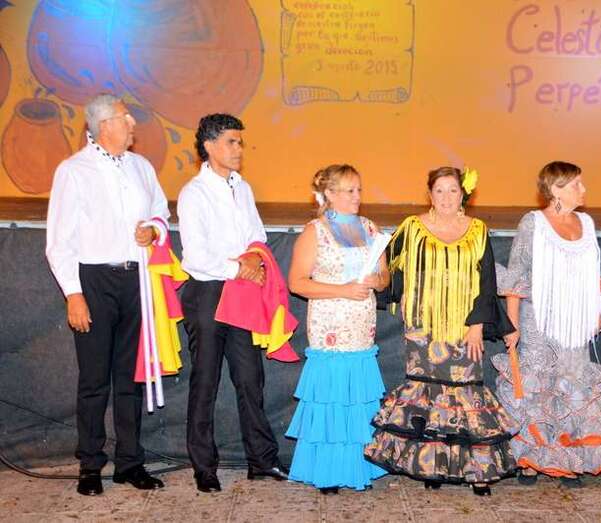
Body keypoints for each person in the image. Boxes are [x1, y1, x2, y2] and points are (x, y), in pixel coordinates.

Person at [364, 167, 518, 496]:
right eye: (439, 190)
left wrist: (477, 325)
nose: (446, 197)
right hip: (424, 328)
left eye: (452, 190)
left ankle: (478, 471)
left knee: (467, 395)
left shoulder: (478, 230)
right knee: (428, 396)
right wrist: (390, 282)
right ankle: (431, 465)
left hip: (464, 329)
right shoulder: (412, 227)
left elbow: (487, 282)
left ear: (463, 194)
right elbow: (388, 261)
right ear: (430, 194)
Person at [46, 93, 167, 496]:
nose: (132, 123)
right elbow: (59, 241)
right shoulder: (73, 171)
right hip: (94, 280)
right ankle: (90, 465)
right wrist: (74, 294)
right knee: (94, 378)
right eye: (124, 117)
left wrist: (153, 230)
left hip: (136, 279)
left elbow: (161, 211)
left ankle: (130, 463)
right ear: (103, 126)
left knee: (131, 376)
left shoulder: (141, 166)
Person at [177, 114, 288, 493]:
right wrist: (239, 267)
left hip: (241, 292)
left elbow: (257, 233)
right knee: (205, 381)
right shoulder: (194, 193)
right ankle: (204, 467)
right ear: (209, 146)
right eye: (231, 142)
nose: (239, 149)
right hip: (208, 293)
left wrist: (254, 257)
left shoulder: (243, 187)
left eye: (240, 142)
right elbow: (195, 257)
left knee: (250, 378)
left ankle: (262, 460)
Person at [492, 161, 601, 489]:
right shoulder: (533, 223)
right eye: (576, 184)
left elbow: (591, 274)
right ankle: (531, 461)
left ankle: (567, 460)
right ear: (556, 189)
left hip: (574, 323)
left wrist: (596, 311)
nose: (583, 190)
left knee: (570, 387)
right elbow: (516, 275)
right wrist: (512, 324)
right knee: (537, 389)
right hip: (538, 321)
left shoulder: (586, 223)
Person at [286, 164, 389, 494]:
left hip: (361, 324)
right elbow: (297, 282)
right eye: (349, 190)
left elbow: (385, 277)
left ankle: (359, 466)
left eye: (359, 189)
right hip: (330, 322)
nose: (357, 196)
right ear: (329, 194)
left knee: (356, 396)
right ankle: (327, 471)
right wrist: (342, 290)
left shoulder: (370, 227)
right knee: (331, 396)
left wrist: (377, 280)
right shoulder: (314, 232)